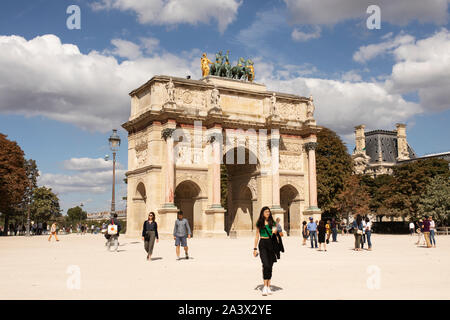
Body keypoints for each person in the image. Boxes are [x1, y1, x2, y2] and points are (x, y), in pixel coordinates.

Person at [253, 206, 279, 296]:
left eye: (268, 212)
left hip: (271, 243)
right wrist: (255, 248)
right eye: (266, 212)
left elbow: (278, 234)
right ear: (262, 213)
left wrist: (275, 231)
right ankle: (264, 286)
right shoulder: (259, 223)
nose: (268, 213)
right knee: (266, 264)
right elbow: (257, 236)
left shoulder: (273, 222)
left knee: (270, 265)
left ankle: (268, 286)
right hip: (263, 243)